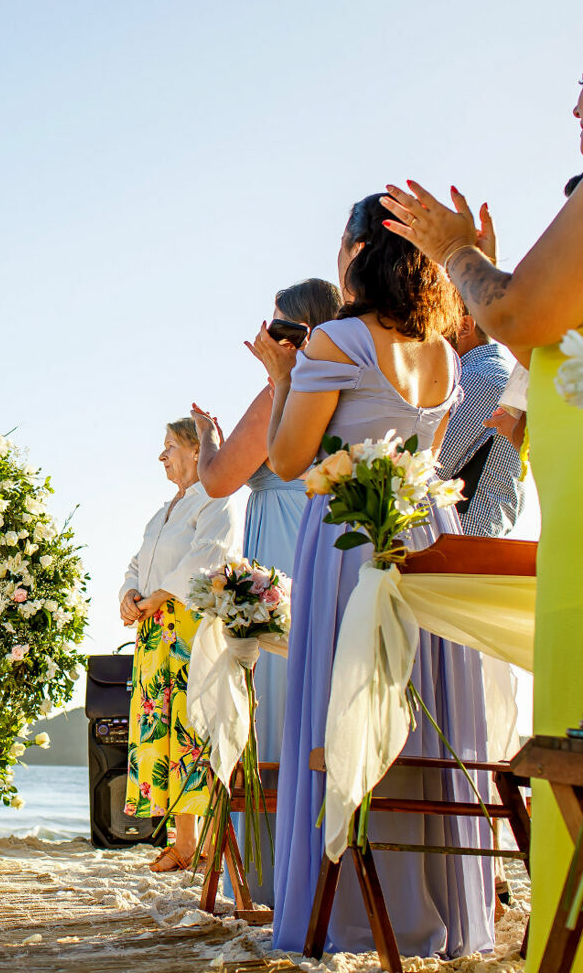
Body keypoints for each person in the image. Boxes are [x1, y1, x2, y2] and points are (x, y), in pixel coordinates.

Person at [264, 193, 492, 959]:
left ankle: (343, 917)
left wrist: (280, 376)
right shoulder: (441, 352)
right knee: (421, 709)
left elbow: (291, 461)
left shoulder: (333, 340)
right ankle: (428, 912)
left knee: (345, 704)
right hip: (427, 541)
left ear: (358, 250)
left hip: (352, 541)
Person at [380, 133, 583, 969]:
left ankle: (499, 898)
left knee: (507, 726)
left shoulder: (490, 361)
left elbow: (510, 321)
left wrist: (456, 252)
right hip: (556, 530)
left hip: (503, 547)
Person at [189, 276, 340, 906]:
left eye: (274, 324)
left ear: (294, 333)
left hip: (282, 538)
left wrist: (207, 440)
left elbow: (222, 480)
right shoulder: (350, 377)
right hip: (331, 535)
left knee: (275, 690)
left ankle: (278, 872)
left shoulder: (287, 386)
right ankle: (327, 858)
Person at [119, 418, 242, 873]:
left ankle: (208, 839)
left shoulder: (215, 499)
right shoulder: (163, 511)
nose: (162, 456)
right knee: (162, 728)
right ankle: (183, 841)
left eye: (169, 446)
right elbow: (138, 560)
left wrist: (158, 596)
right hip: (153, 630)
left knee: (193, 728)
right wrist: (129, 596)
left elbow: (206, 555)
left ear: (196, 451)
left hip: (190, 627)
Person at [437, 249, 525, 539]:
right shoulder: (489, 373)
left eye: (437, 324)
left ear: (464, 326)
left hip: (460, 544)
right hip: (470, 541)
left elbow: (432, 465)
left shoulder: (480, 379)